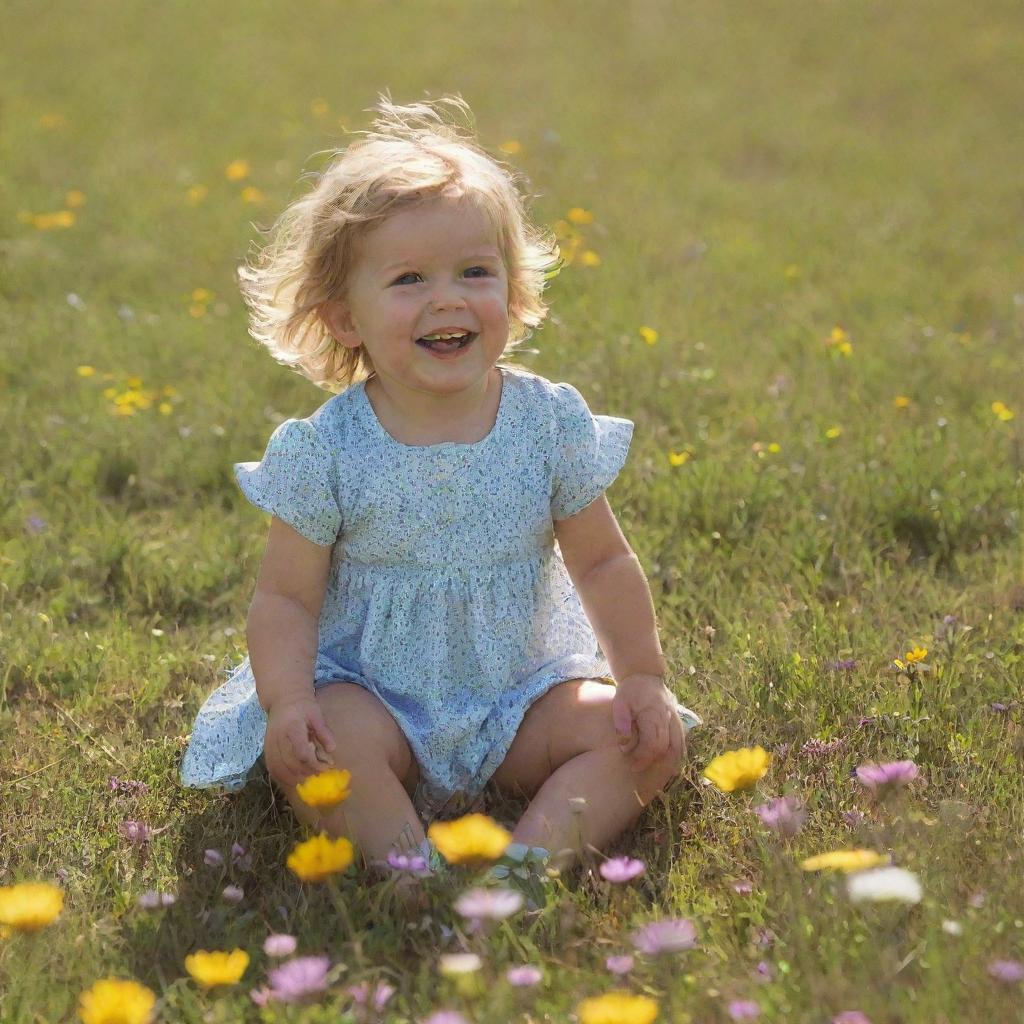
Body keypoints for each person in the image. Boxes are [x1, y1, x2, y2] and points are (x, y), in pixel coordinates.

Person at [180, 92, 701, 877]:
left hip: (519, 696)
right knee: (332, 747)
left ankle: (525, 871)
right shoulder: (328, 449)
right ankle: (409, 876)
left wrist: (643, 679)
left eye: (474, 272)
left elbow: (601, 564)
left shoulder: (547, 423)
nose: (448, 298)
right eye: (410, 279)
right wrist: (289, 705)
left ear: (513, 293)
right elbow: (285, 599)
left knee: (643, 742)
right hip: (373, 695)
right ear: (344, 318)